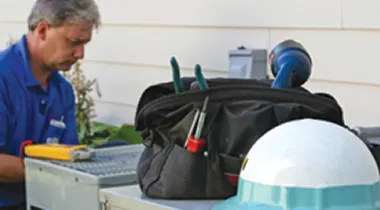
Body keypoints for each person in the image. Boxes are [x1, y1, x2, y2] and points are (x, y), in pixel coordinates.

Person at [0, 0, 101, 209]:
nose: (81, 54)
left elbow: (68, 155)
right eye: (74, 42)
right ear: (43, 30)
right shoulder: (3, 79)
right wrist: (49, 173)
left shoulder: (62, 90)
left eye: (84, 44)